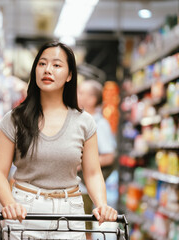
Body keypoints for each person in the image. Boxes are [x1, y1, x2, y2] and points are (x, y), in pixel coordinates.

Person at [0, 41, 118, 239]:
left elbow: (92, 173)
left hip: (70, 212)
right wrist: (9, 204)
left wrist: (102, 205)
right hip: (25, 211)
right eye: (42, 64)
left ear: (69, 76)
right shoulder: (15, 119)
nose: (47, 69)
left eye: (56, 65)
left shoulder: (84, 122)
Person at [77, 80, 118, 239]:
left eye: (81, 93)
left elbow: (109, 157)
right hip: (81, 186)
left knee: (84, 230)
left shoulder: (100, 124)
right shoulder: (82, 119)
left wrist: (82, 164)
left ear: (92, 99)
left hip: (86, 188)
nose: (77, 96)